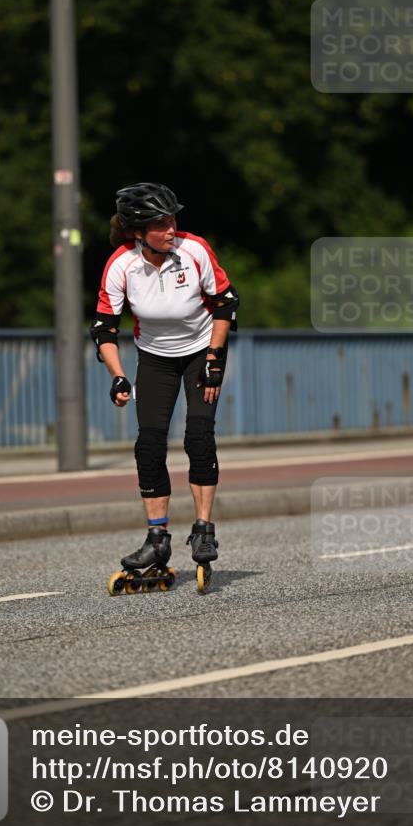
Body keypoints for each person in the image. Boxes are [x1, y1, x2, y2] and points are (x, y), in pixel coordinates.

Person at [90, 182, 239, 593]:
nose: (172, 228)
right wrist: (118, 375)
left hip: (200, 352)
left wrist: (213, 359)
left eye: (173, 219)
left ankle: (204, 529)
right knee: (149, 444)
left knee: (198, 436)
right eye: (161, 223)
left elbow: (226, 302)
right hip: (154, 358)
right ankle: (157, 540)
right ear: (138, 231)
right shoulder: (121, 265)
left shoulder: (194, 250)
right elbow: (104, 327)